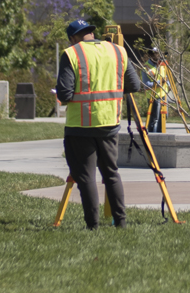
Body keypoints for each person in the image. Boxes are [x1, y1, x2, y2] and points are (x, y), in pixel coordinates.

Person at [54, 19, 142, 229]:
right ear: (91, 33)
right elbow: (134, 85)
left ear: (73, 38)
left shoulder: (71, 54)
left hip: (80, 127)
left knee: (86, 177)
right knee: (111, 173)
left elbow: (65, 94)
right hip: (110, 123)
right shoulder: (118, 52)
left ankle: (92, 226)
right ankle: (120, 222)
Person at [141, 48, 168, 133]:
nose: (158, 56)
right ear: (151, 55)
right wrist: (160, 82)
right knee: (154, 118)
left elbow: (167, 78)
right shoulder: (146, 68)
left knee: (164, 116)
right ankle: (152, 134)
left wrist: (168, 84)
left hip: (163, 95)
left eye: (159, 54)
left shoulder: (162, 65)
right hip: (153, 96)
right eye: (156, 54)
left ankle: (160, 132)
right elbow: (146, 84)